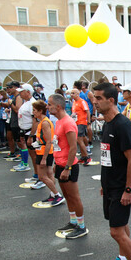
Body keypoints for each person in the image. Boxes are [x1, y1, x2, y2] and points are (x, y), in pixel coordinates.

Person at [93, 83, 131, 260]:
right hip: (110, 185)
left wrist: (128, 189)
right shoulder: (107, 123)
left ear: (110, 100)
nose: (94, 102)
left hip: (121, 187)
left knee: (116, 232)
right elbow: (107, 158)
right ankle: (123, 258)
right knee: (121, 227)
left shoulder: (122, 125)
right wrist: (104, 184)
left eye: (98, 98)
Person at [47, 94, 88, 239]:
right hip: (59, 164)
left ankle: (82, 226)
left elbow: (72, 148)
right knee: (66, 195)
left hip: (68, 166)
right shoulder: (58, 122)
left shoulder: (68, 122)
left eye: (49, 104)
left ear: (58, 106)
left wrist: (67, 168)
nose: (47, 107)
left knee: (74, 197)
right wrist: (56, 165)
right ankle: (73, 222)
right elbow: (59, 145)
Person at [32, 100, 64, 206]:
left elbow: (49, 141)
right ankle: (53, 194)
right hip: (45, 151)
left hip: (44, 152)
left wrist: (44, 158)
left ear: (40, 111)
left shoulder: (45, 123)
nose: (33, 113)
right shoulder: (43, 122)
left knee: (42, 176)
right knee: (49, 173)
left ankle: (57, 194)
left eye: (35, 110)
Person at [14, 83, 36, 173]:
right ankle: (36, 175)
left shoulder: (32, 103)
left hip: (31, 133)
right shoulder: (26, 102)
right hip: (25, 132)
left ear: (28, 92)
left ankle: (38, 176)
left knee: (34, 156)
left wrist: (31, 135)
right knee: (32, 156)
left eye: (21, 92)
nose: (20, 94)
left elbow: (35, 121)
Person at [70, 89, 92, 166]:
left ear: (77, 94)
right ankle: (83, 156)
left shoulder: (82, 101)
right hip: (76, 123)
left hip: (81, 122)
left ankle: (87, 156)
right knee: (81, 138)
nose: (71, 95)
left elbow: (87, 111)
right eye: (71, 93)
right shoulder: (74, 102)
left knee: (79, 139)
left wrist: (88, 122)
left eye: (73, 93)